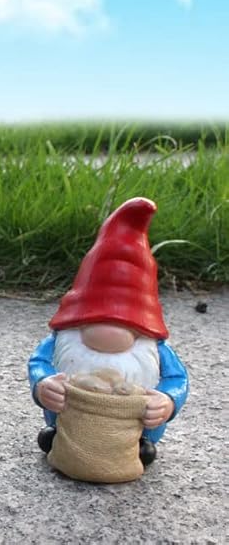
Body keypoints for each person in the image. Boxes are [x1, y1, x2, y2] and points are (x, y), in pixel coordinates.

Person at [28, 197, 188, 466]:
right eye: (97, 316)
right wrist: (42, 384)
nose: (108, 331)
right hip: (68, 422)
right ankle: (59, 434)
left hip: (134, 430)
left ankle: (140, 443)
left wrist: (168, 401)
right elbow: (39, 362)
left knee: (143, 452)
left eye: (125, 320)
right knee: (53, 438)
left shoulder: (154, 349)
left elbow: (177, 378)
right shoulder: (64, 339)